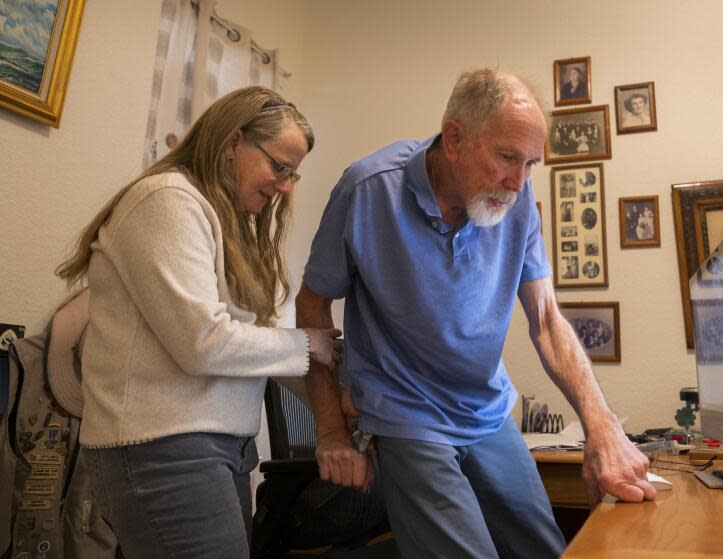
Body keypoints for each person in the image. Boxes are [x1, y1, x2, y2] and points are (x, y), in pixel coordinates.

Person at [297, 69, 654, 559]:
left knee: (546, 549)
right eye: (507, 157)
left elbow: (547, 319)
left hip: (487, 412)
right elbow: (311, 303)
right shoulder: (367, 190)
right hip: (408, 415)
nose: (518, 182)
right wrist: (331, 432)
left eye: (532, 164)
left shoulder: (518, 198)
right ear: (454, 139)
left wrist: (603, 426)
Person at [55, 86, 343, 559]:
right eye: (280, 167)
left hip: (213, 448)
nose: (286, 186)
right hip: (162, 448)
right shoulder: (166, 200)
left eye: (294, 174)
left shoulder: (220, 219)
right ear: (234, 142)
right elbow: (202, 342)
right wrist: (308, 345)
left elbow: (251, 346)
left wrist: (338, 399)